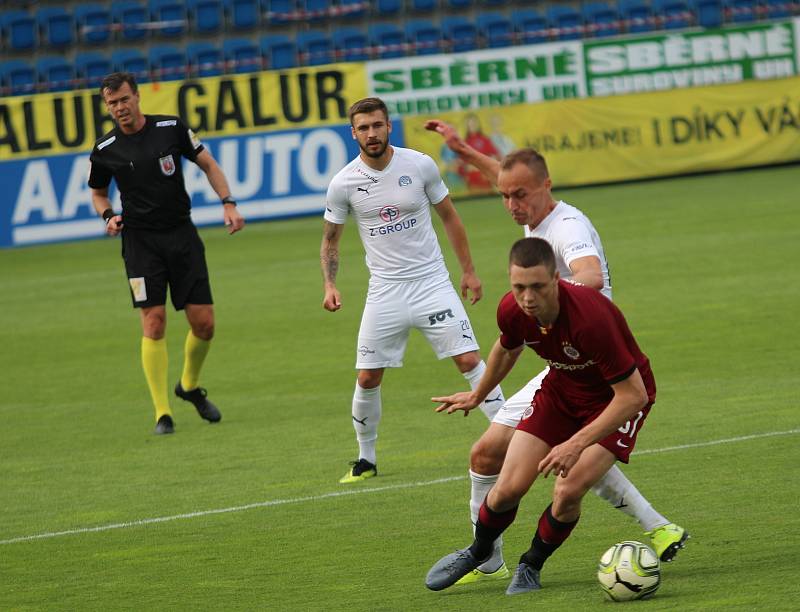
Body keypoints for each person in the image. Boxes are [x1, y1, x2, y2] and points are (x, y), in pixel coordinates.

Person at [423, 120, 688, 581]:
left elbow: (591, 273)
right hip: (563, 366)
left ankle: (540, 561)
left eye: (519, 196)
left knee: (569, 479)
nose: (511, 204)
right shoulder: (531, 217)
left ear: (546, 187)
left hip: (603, 365)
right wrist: (463, 151)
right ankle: (484, 554)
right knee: (489, 456)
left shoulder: (566, 228)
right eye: (506, 195)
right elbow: (507, 176)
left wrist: (553, 297)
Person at [426, 237, 658, 595]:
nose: (528, 298)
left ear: (556, 280)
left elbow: (633, 395)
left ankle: (531, 564)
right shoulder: (512, 309)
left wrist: (575, 444)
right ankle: (477, 551)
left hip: (617, 399)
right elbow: (507, 348)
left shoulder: (591, 319)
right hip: (562, 389)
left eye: (537, 287)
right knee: (506, 489)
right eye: (519, 287)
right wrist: (478, 394)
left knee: (566, 491)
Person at [320, 97, 505, 484]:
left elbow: (450, 217)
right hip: (384, 292)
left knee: (469, 361)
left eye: (377, 125)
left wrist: (468, 271)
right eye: (363, 127)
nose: (372, 133)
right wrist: (330, 283)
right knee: (368, 377)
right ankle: (365, 458)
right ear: (353, 133)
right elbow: (331, 240)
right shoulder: (343, 183)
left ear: (389, 126)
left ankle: (511, 440)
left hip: (431, 283)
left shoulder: (419, 164)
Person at [88, 72, 245, 435]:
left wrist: (229, 203)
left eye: (124, 99)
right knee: (153, 321)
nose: (119, 107)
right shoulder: (104, 149)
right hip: (140, 243)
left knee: (204, 325)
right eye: (112, 103)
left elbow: (208, 164)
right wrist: (108, 216)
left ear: (137, 97)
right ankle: (162, 413)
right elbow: (98, 193)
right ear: (107, 106)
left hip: (182, 236)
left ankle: (188, 386)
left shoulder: (171, 127)